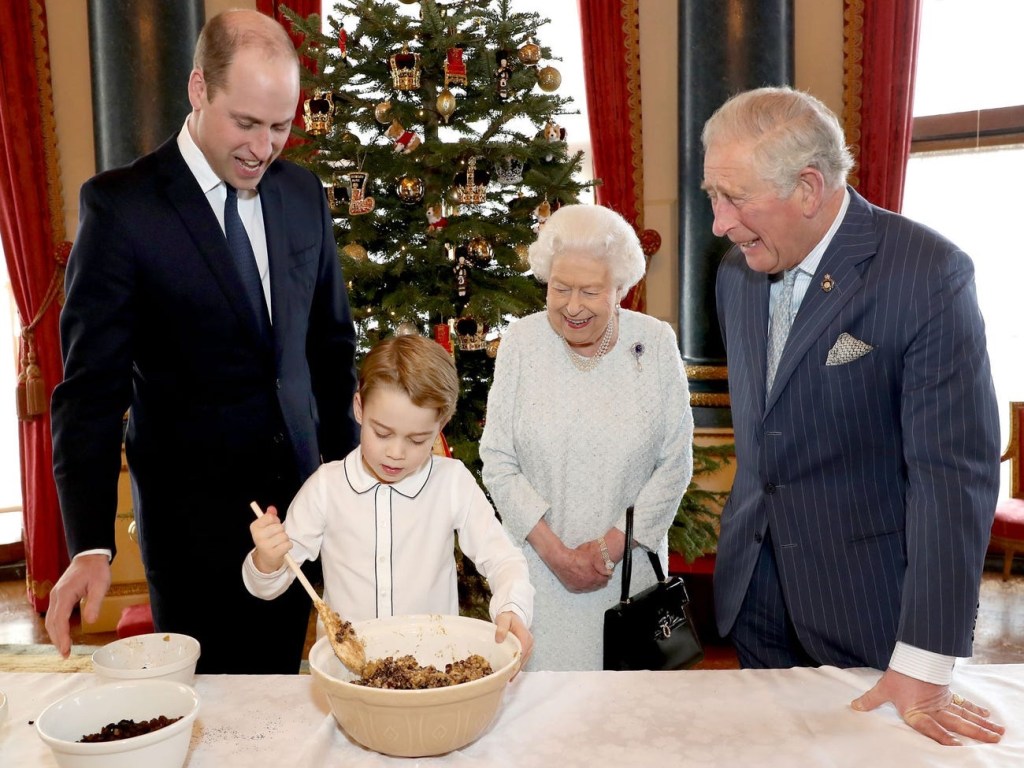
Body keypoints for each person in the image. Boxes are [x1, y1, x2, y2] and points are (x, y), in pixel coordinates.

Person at [45, 9, 359, 674]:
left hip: (303, 512)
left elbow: (331, 351)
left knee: (283, 699)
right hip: (196, 536)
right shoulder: (122, 209)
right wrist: (89, 544)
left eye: (279, 126)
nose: (263, 146)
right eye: (245, 123)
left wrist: (352, 484)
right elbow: (90, 392)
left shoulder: (302, 194)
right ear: (198, 89)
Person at [702, 86, 1005, 745]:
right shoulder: (735, 273)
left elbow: (954, 476)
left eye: (734, 198)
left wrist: (926, 657)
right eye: (711, 197)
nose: (719, 223)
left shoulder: (928, 273)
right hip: (754, 594)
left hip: (869, 612)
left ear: (808, 187)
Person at [479, 204, 694, 670]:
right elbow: (497, 458)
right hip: (536, 576)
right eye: (560, 289)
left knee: (624, 723)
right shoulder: (520, 342)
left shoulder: (655, 343)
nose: (573, 306)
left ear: (621, 289)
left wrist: (605, 549)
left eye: (591, 291)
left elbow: (675, 462)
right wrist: (556, 554)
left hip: (626, 582)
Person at [244, 335, 535, 661]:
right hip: (349, 673)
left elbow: (504, 559)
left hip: (433, 668)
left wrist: (512, 606)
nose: (396, 454)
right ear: (359, 408)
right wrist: (266, 561)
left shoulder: (451, 482)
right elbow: (268, 586)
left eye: (417, 439)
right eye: (381, 433)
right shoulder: (326, 487)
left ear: (441, 424)